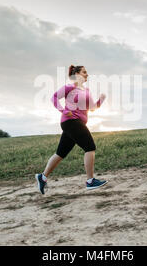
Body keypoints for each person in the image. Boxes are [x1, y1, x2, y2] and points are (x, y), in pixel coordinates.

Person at [35, 65, 107, 194]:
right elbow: (54, 97)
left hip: (75, 123)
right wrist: (63, 110)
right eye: (84, 72)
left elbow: (92, 108)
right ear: (77, 74)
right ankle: (90, 181)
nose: (87, 74)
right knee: (90, 147)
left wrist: (101, 99)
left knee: (60, 153)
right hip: (71, 121)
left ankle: (42, 177)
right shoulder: (70, 87)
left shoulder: (87, 90)